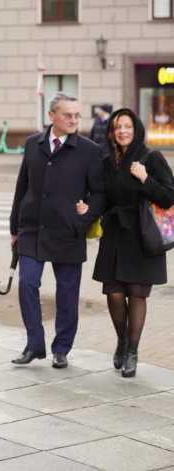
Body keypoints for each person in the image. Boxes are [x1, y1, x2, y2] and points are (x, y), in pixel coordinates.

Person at [9, 91, 105, 369]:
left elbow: (99, 194)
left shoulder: (89, 150)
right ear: (52, 116)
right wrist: (15, 228)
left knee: (67, 294)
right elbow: (21, 187)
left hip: (68, 232)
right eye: (68, 115)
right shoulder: (32, 144)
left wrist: (83, 222)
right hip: (32, 230)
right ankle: (34, 344)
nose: (74, 120)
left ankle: (62, 348)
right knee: (27, 284)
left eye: (77, 115)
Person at [84, 108, 174, 377]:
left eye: (127, 126)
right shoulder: (106, 159)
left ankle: (132, 351)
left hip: (142, 236)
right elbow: (101, 196)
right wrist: (86, 209)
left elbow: (169, 198)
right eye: (117, 127)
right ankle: (121, 342)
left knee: (136, 294)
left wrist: (145, 178)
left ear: (136, 130)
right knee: (113, 293)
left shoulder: (151, 157)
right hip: (114, 234)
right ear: (112, 132)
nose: (122, 131)